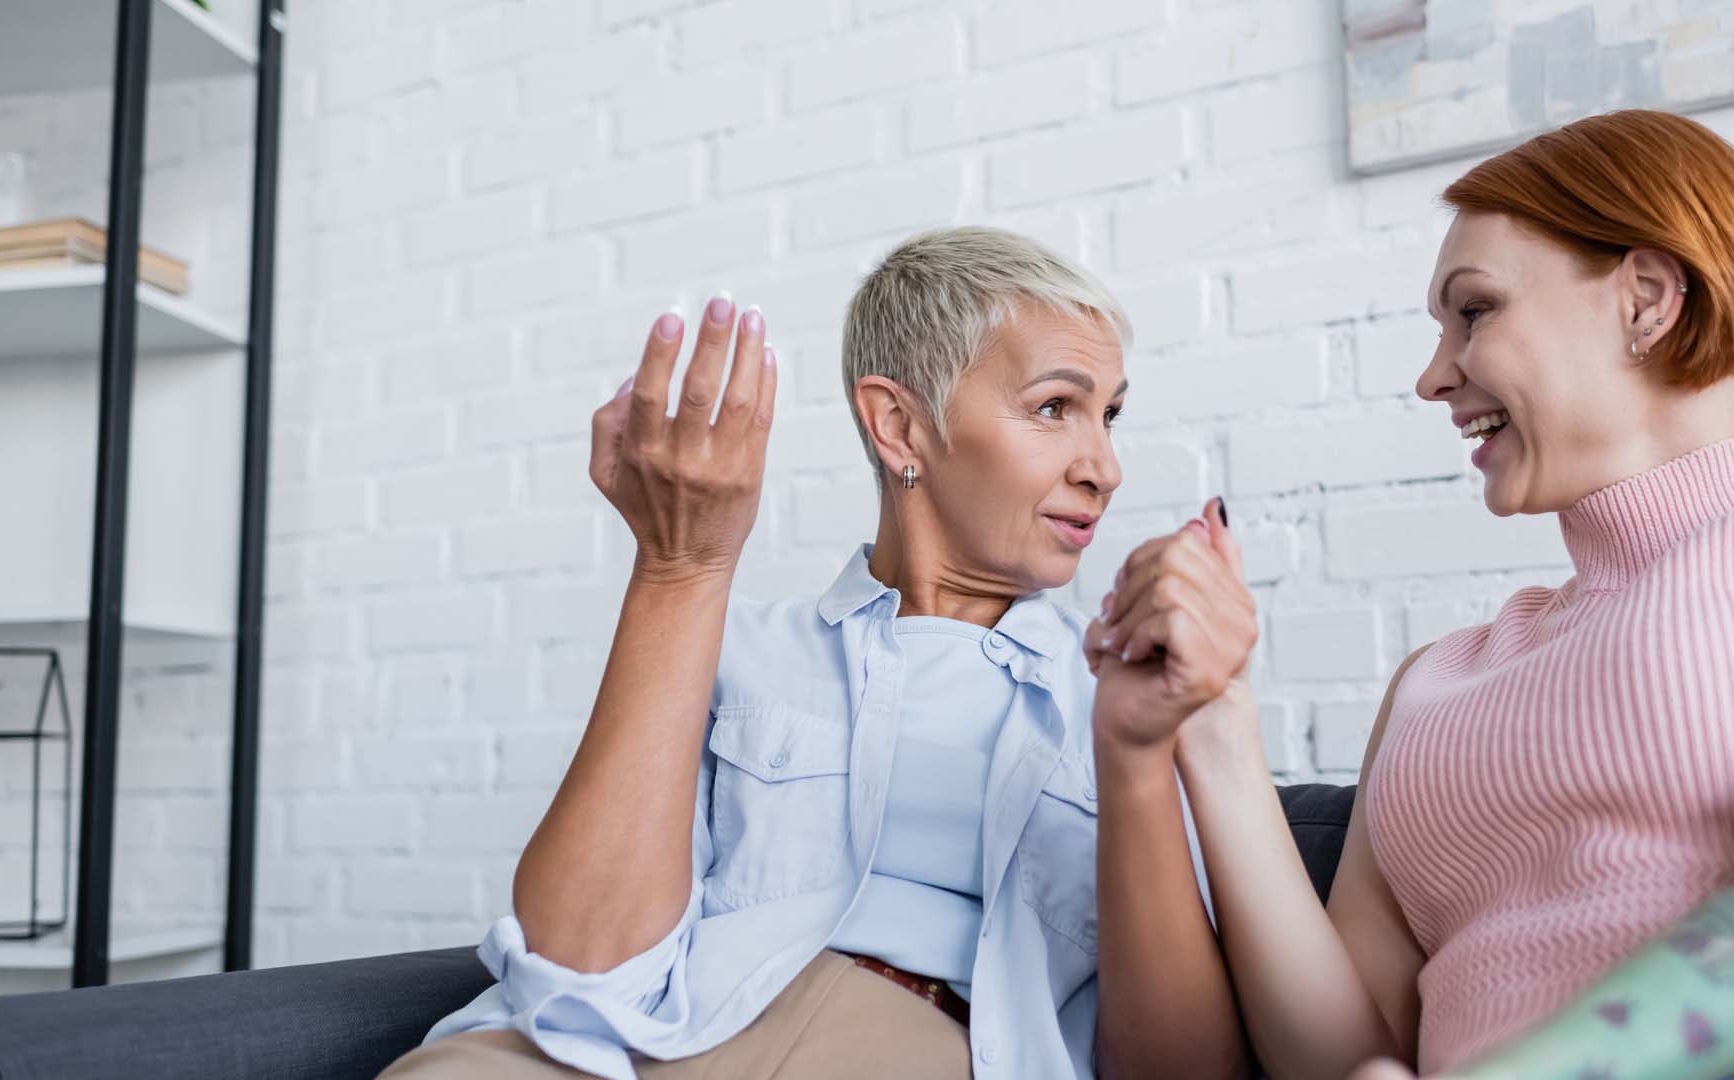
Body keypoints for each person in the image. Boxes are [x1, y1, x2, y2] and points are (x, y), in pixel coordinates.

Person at [1092, 109, 1734, 1080]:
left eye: (1474, 311)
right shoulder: (1433, 682)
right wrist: (1216, 725)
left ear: (1645, 300)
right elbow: (1353, 1055)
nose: (1433, 377)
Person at [377, 225, 1249, 1080]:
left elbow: (1187, 1068)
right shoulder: (733, 646)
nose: (1106, 466)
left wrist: (1134, 755)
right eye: (1056, 408)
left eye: (1112, 415)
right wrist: (680, 571)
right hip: (633, 1041)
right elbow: (579, 965)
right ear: (900, 427)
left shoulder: (1132, 693)